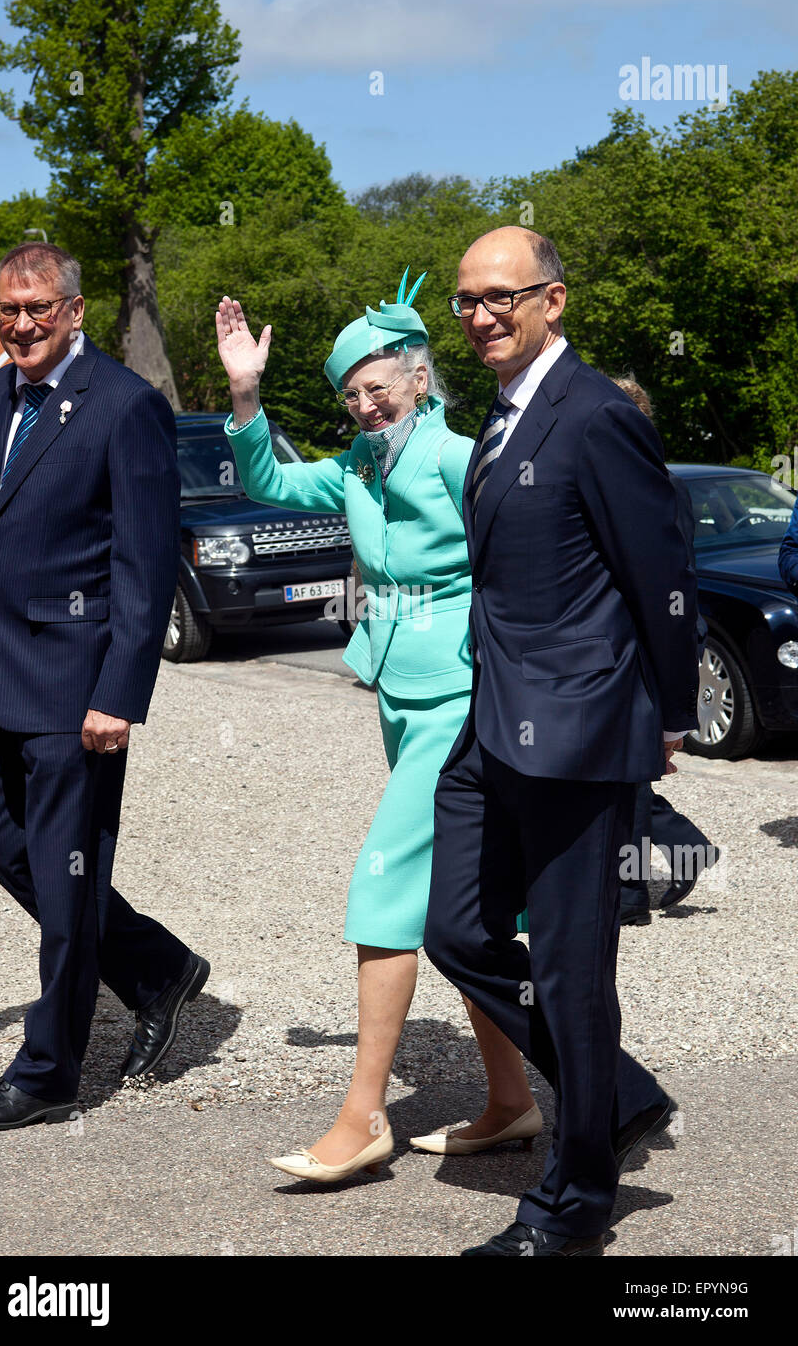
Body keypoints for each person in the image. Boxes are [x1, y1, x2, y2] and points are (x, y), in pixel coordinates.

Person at [216, 271, 539, 1184]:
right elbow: (268, 479)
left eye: (378, 388)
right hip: (400, 693)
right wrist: (245, 394)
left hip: (464, 694)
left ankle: (363, 1119)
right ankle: (511, 1100)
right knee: (469, 904)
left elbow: (528, 555)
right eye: (351, 394)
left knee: (385, 881)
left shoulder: (458, 456)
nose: (364, 405)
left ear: (420, 381)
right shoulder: (359, 464)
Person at [423, 227, 701, 1256]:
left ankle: (576, 1200)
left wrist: (669, 713)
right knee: (456, 929)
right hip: (492, 726)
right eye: (466, 300)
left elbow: (661, 574)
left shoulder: (594, 415)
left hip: (579, 732)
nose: (480, 315)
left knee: (575, 970)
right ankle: (614, 1095)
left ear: (554, 300)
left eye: (501, 295)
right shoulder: (503, 418)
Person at [0, 242, 209, 1131]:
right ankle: (156, 968)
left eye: (39, 308)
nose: (22, 323)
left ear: (74, 310)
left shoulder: (125, 406)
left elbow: (145, 564)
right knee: (7, 854)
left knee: (66, 885)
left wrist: (118, 695)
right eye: (9, 308)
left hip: (75, 692)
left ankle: (47, 1073)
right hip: (1, 683)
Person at [609, 375, 718, 924]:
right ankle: (680, 845)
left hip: (645, 645)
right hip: (626, 644)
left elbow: (674, 578)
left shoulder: (658, 486)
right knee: (615, 771)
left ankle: (630, 895)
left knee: (627, 772)